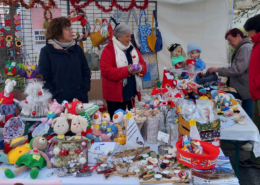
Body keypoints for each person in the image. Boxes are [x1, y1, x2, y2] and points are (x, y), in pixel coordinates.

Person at [39, 17, 90, 104]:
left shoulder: (77, 49)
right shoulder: (46, 52)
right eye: (67, 29)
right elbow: (44, 78)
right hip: (58, 102)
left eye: (71, 28)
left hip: (79, 99)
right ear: (58, 32)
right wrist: (54, 94)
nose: (72, 31)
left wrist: (85, 88)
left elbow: (85, 70)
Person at [100, 22, 147, 118]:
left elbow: (144, 65)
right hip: (115, 97)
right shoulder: (108, 50)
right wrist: (127, 71)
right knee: (116, 122)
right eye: (127, 36)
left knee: (132, 122)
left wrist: (140, 68)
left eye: (130, 36)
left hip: (131, 93)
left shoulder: (132, 49)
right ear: (118, 37)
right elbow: (107, 71)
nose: (130, 39)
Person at [208, 28, 253, 118]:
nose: (229, 43)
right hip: (241, 89)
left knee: (246, 117)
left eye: (230, 39)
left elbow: (237, 69)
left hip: (245, 91)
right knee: (240, 116)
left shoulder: (245, 48)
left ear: (238, 36)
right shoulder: (242, 47)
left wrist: (218, 70)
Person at [239, 14, 260, 168]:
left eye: (249, 31)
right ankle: (255, 159)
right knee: (257, 127)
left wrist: (256, 83)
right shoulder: (255, 43)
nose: (248, 34)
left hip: (258, 91)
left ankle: (256, 160)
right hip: (256, 92)